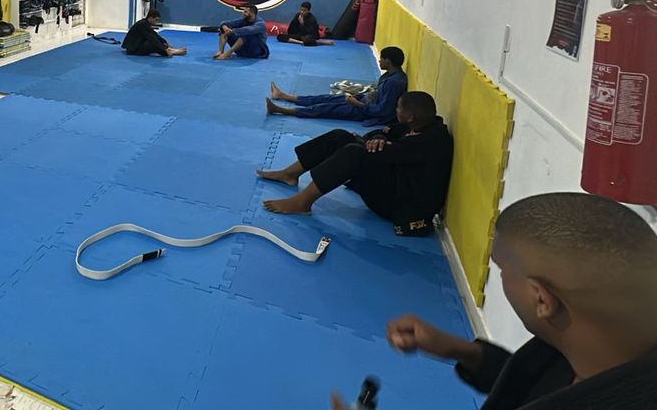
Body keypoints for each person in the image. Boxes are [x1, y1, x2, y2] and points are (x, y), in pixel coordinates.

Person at [330, 192, 657, 409]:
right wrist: (464, 351)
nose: (500, 278)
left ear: (541, 298)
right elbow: (532, 386)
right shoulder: (589, 351)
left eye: (502, 269)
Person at [258, 91, 451, 236]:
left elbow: (378, 152)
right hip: (396, 181)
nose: (396, 110)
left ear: (410, 116)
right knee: (340, 136)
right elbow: (381, 133)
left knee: (354, 152)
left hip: (402, 205)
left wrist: (369, 142)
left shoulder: (430, 142)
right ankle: (290, 174)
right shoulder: (419, 125)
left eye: (399, 108)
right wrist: (377, 138)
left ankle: (302, 203)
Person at [265, 46, 407, 125]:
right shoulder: (391, 75)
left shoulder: (393, 83)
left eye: (381, 59)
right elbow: (377, 95)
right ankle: (283, 96)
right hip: (363, 100)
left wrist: (356, 103)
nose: (380, 61)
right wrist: (357, 96)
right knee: (324, 98)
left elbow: (383, 110)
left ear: (388, 61)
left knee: (324, 108)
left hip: (364, 110)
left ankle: (281, 110)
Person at [121, 9, 187, 57]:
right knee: (152, 43)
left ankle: (171, 50)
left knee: (155, 40)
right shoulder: (143, 24)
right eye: (156, 20)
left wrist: (164, 42)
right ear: (150, 17)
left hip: (136, 46)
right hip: (133, 49)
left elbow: (154, 34)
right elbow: (152, 38)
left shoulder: (145, 23)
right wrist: (165, 49)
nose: (156, 22)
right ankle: (171, 51)